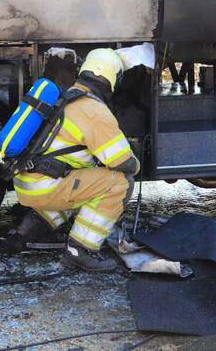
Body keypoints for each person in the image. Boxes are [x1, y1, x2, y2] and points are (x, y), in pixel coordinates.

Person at [11, 48, 141, 271]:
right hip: (46, 187)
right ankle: (80, 250)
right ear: (112, 77)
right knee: (120, 182)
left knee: (82, 181)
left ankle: (28, 230)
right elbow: (122, 162)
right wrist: (137, 162)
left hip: (27, 183)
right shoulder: (93, 110)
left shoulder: (65, 95)